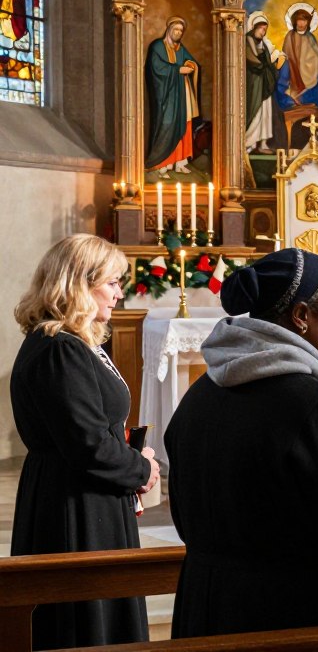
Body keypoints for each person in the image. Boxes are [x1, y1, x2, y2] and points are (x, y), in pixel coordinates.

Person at [165, 249, 318, 637]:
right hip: (290, 618)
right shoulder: (312, 406)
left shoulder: (201, 394)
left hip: (205, 605)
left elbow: (182, 510)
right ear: (301, 317)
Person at [10, 234, 157, 649]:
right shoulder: (60, 348)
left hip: (88, 494)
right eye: (111, 282)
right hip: (75, 502)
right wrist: (141, 468)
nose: (119, 293)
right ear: (78, 282)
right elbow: (87, 443)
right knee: (83, 620)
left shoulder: (73, 343)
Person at [145, 16, 200, 174]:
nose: (178, 33)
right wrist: (177, 70)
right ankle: (163, 163)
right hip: (166, 96)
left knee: (186, 125)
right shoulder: (157, 47)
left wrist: (190, 65)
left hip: (182, 95)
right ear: (168, 30)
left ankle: (180, 162)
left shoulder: (180, 49)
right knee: (167, 125)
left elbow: (191, 62)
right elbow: (155, 68)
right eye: (175, 29)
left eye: (181, 31)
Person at [244, 12, 282, 153]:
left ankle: (263, 143)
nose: (263, 32)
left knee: (266, 113)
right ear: (254, 27)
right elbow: (253, 61)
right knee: (255, 111)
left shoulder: (262, 44)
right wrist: (266, 63)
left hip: (264, 83)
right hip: (254, 83)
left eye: (265, 30)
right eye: (261, 29)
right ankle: (249, 142)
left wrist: (273, 63)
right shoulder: (248, 40)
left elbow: (266, 62)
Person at [281, 5, 318, 106]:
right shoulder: (290, 36)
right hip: (293, 71)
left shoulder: (310, 37)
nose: (301, 23)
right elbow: (285, 54)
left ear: (308, 22)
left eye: (304, 20)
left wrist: (311, 62)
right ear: (295, 21)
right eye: (299, 20)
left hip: (310, 73)